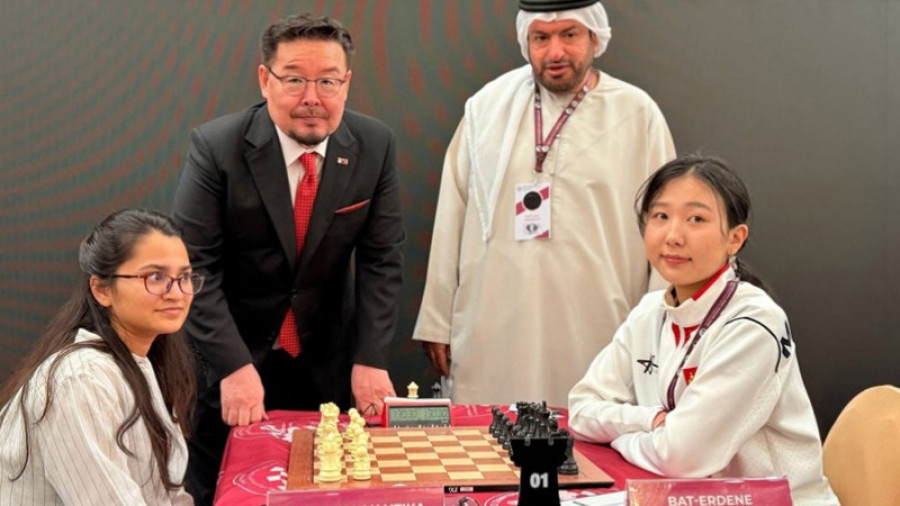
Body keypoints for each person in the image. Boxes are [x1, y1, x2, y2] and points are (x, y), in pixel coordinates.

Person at [171, 13, 404, 504]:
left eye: (328, 82)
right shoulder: (216, 147)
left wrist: (370, 357)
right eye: (295, 80)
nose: (312, 98)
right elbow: (195, 268)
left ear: (347, 84)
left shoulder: (374, 145)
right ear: (265, 79)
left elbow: (381, 260)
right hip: (231, 360)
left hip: (327, 360)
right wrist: (232, 366)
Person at [414, 0, 675, 406]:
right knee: (488, 434)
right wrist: (436, 320)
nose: (555, 52)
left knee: (590, 432)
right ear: (526, 42)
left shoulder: (637, 114)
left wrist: (661, 325)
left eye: (569, 35)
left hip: (599, 328)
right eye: (541, 38)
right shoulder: (485, 108)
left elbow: (667, 225)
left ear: (594, 38)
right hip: (493, 329)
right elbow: (453, 213)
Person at [568, 155, 839, 505]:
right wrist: (652, 420)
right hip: (681, 496)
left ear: (735, 239)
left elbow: (683, 457)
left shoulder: (753, 323)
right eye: (660, 216)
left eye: (696, 219)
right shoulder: (649, 312)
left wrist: (618, 436)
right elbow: (581, 409)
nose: (673, 236)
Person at [0, 208, 199, 505]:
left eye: (184, 276)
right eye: (156, 277)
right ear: (102, 289)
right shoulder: (80, 379)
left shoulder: (147, 362)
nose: (177, 292)